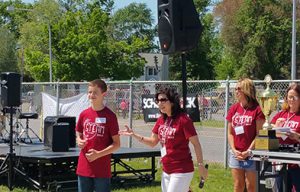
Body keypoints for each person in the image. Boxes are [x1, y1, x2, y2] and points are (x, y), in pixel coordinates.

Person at [119, 87, 208, 192]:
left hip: (181, 168)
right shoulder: (161, 119)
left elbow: (196, 144)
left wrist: (201, 165)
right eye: (158, 101)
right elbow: (153, 142)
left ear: (172, 102)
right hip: (166, 169)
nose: (159, 103)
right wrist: (134, 135)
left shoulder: (183, 120)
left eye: (163, 100)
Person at [76, 79, 120, 192]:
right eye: (90, 92)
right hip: (84, 166)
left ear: (103, 94)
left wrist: (98, 154)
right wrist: (79, 140)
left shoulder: (110, 116)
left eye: (95, 92)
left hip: (102, 168)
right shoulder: (83, 114)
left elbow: (116, 144)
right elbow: (79, 132)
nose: (91, 95)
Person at [227, 78, 265, 192]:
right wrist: (234, 150)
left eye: (239, 89)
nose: (236, 91)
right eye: (235, 89)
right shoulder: (234, 108)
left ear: (247, 90)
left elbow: (259, 134)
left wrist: (248, 151)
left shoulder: (257, 109)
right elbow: (230, 133)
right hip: (236, 153)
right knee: (238, 186)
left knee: (250, 187)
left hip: (251, 154)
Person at [271, 82, 300, 192]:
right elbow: (269, 129)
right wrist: (276, 127)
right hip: (280, 161)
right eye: (289, 97)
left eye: (295, 97)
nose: (291, 100)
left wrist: (296, 136)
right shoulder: (282, 114)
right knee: (281, 188)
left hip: (296, 162)